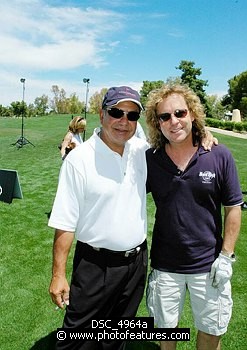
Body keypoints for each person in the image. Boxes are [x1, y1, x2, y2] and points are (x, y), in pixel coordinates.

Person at [48, 86, 149, 350]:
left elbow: (179, 143)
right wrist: (58, 274)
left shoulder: (142, 151)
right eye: (116, 112)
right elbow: (65, 222)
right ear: (102, 114)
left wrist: (202, 133)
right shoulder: (78, 159)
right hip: (96, 265)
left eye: (132, 115)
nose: (123, 121)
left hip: (137, 263)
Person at [145, 84, 243, 350]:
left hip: (209, 266)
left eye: (179, 112)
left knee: (211, 333)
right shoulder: (150, 160)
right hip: (165, 267)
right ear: (158, 123)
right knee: (166, 336)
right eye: (164, 116)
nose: (173, 121)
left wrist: (226, 257)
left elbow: (233, 207)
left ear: (192, 114)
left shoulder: (218, 155)